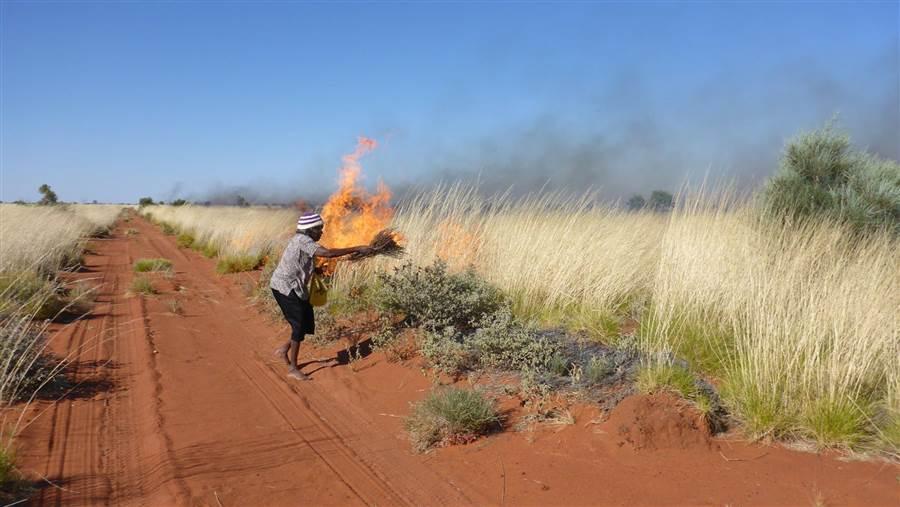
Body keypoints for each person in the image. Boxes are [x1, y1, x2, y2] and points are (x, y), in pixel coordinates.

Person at [270, 212, 372, 380]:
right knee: (298, 325)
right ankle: (293, 369)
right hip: (285, 288)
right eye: (319, 229)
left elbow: (301, 261)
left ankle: (283, 350)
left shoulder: (304, 240)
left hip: (296, 287)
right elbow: (329, 253)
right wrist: (357, 248)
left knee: (306, 323)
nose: (321, 232)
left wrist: (315, 270)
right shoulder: (303, 240)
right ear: (310, 230)